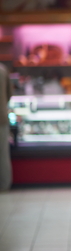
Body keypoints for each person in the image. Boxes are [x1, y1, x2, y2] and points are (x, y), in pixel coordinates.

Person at [0, 63, 13, 191]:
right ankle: (4, 185)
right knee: (3, 154)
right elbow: (10, 94)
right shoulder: (3, 70)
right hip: (2, 117)